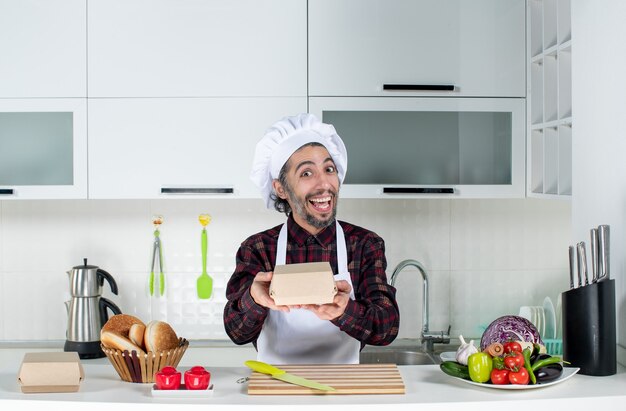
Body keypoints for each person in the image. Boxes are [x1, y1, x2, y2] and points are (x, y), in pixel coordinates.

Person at [223, 113, 399, 364]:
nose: (324, 184)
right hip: (276, 391)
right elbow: (236, 332)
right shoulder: (258, 249)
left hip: (342, 390)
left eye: (329, 169)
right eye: (307, 173)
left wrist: (347, 310)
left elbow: (387, 328)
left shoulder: (364, 245)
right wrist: (254, 299)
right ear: (280, 188)